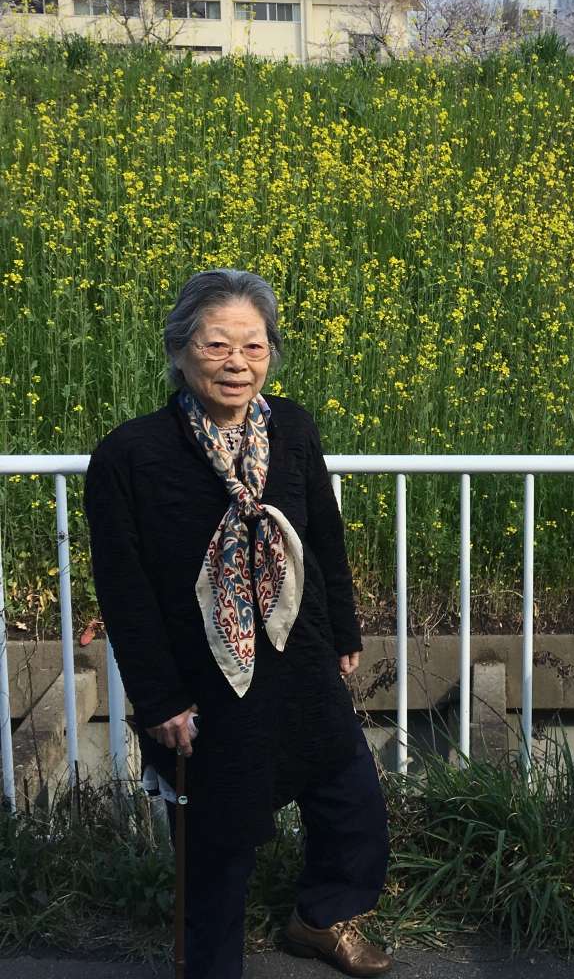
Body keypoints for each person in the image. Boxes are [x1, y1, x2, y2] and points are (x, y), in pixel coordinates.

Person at [85, 269, 391, 979]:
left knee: (353, 808)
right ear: (179, 350)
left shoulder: (292, 427)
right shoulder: (131, 455)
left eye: (254, 347)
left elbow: (323, 538)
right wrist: (159, 698)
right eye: (216, 345)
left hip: (298, 657)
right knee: (217, 846)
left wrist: (343, 631)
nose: (237, 363)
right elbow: (125, 590)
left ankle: (321, 918)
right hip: (204, 681)